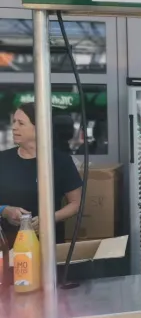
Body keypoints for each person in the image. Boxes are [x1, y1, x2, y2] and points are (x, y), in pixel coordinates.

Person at [0, 103, 83, 247]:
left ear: (40, 127)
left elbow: (76, 204)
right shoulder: (3, 159)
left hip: (48, 246)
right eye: (14, 122)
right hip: (7, 245)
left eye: (21, 123)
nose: (14, 127)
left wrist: (49, 219)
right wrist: (4, 210)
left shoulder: (60, 161)